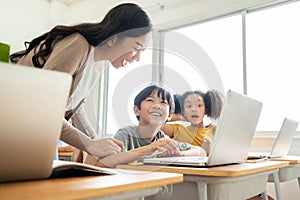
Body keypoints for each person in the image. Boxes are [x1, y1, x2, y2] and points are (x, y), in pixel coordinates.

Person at [9, 3, 153, 158]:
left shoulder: (96, 63)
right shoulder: (79, 44)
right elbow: (45, 108)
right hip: (13, 126)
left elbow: (77, 111)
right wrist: (90, 144)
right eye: (137, 48)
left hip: (37, 131)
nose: (137, 58)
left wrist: (99, 142)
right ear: (115, 37)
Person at [84, 84, 206, 168]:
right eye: (150, 100)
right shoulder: (126, 135)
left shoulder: (163, 139)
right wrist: (150, 148)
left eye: (163, 102)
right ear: (137, 110)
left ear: (169, 115)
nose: (157, 106)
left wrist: (180, 154)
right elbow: (101, 164)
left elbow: (201, 151)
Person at [162, 90, 223, 155]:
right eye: (189, 106)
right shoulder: (178, 130)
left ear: (206, 109)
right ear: (184, 111)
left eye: (199, 105)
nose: (194, 109)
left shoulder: (216, 130)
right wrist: (177, 117)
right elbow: (152, 127)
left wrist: (210, 150)